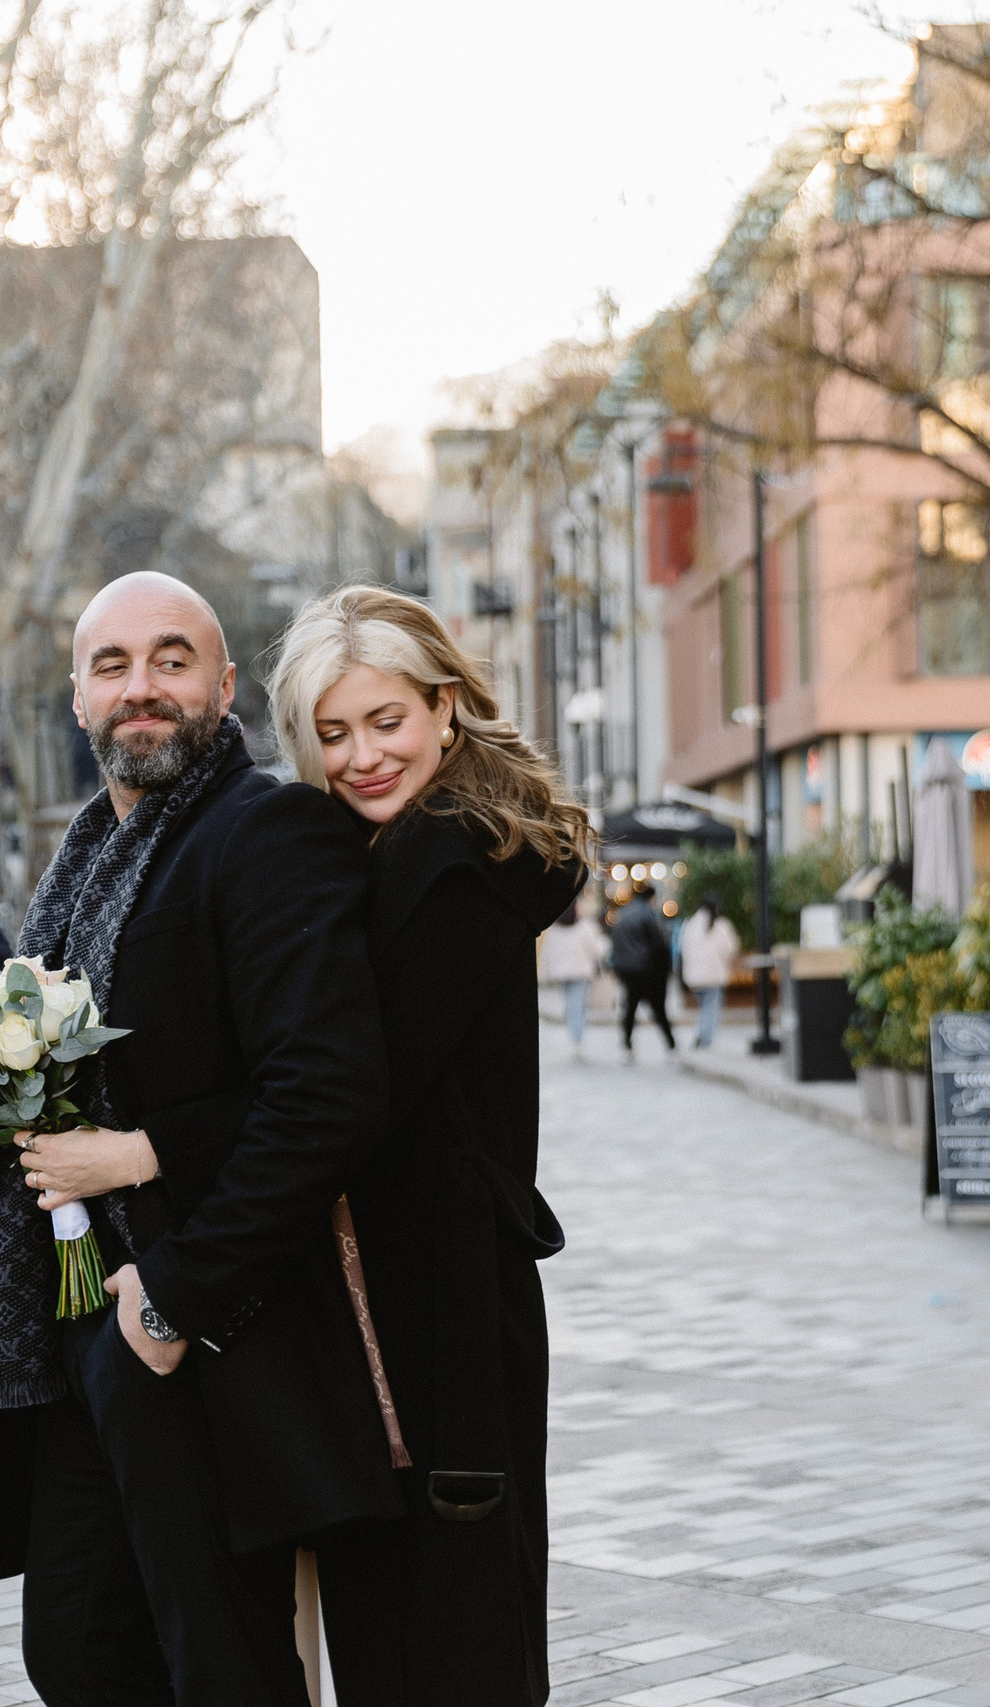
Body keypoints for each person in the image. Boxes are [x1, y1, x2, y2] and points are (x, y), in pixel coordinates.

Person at [0, 571, 398, 1707]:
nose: (141, 688)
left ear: (223, 684)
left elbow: (326, 1096)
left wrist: (166, 1298)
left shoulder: (267, 830)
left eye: (170, 659)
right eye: (113, 666)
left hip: (202, 1331)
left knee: (225, 1665)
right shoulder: (81, 860)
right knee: (77, 1648)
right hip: (73, 1329)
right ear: (77, 697)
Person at [268, 584, 589, 1707]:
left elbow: (352, 1091)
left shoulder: (446, 862)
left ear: (444, 709)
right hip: (427, 1297)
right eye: (332, 733)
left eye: (385, 722)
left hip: (436, 1305)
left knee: (443, 1638)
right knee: (448, 1621)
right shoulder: (430, 846)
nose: (361, 756)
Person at [607, 890, 676, 1060]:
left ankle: (627, 1046)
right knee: (658, 1009)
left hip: (628, 970)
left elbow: (615, 943)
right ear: (651, 898)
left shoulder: (622, 914)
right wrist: (666, 968)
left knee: (630, 1009)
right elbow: (659, 944)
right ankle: (671, 1046)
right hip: (647, 970)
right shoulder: (648, 914)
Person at [536, 903, 605, 1063]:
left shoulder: (554, 930)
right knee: (577, 1005)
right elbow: (598, 949)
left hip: (562, 973)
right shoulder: (584, 927)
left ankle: (575, 1037)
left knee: (571, 1004)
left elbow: (548, 953)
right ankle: (577, 1039)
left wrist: (546, 974)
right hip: (580, 972)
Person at [678, 900, 741, 1050]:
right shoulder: (721, 925)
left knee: (704, 1007)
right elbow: (730, 948)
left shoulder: (690, 924)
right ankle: (705, 1038)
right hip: (713, 975)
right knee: (710, 1008)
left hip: (693, 976)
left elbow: (682, 949)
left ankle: (702, 1034)